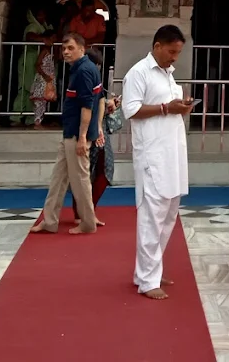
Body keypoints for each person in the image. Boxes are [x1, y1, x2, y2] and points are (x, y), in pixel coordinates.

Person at [122, 25, 194, 300]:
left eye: (178, 52)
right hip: (152, 155)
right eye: (172, 51)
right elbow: (131, 110)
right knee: (152, 215)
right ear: (157, 46)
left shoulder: (168, 75)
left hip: (172, 153)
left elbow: (169, 108)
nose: (175, 57)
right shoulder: (139, 73)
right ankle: (148, 280)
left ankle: (149, 270)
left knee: (169, 214)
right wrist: (166, 108)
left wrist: (180, 107)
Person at [30, 32, 100, 236]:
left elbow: (88, 106)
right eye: (64, 48)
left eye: (70, 48)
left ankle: (88, 222)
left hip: (77, 135)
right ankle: (50, 220)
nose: (66, 52)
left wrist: (82, 136)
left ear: (81, 48)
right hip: (70, 133)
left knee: (80, 180)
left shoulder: (84, 71)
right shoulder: (81, 69)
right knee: (58, 178)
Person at [87, 47, 124, 211]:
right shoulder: (87, 81)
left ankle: (86, 209)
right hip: (93, 131)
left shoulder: (94, 83)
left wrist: (109, 106)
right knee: (97, 171)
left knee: (95, 171)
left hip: (97, 129)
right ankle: (86, 210)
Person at [13, 9, 50, 123]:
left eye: (43, 14)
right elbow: (30, 36)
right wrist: (43, 39)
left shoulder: (44, 26)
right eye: (39, 14)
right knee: (25, 88)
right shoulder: (33, 26)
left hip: (35, 59)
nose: (42, 17)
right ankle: (16, 116)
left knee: (33, 90)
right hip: (28, 59)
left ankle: (30, 117)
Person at [29, 32, 58, 129]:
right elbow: (37, 64)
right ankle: (37, 122)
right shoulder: (45, 50)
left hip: (48, 79)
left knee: (43, 101)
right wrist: (44, 75)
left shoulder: (52, 51)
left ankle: (39, 120)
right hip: (43, 79)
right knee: (39, 101)